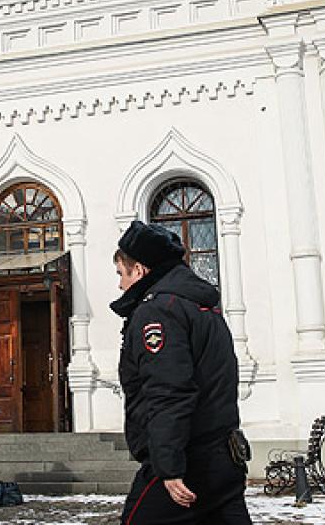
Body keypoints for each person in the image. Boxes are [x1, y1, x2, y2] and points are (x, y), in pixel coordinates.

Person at [110, 220, 251, 525]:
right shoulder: (202, 306)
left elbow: (169, 390)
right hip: (225, 456)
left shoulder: (158, 311)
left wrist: (169, 467)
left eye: (121, 274)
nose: (120, 285)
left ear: (140, 270)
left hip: (190, 462)